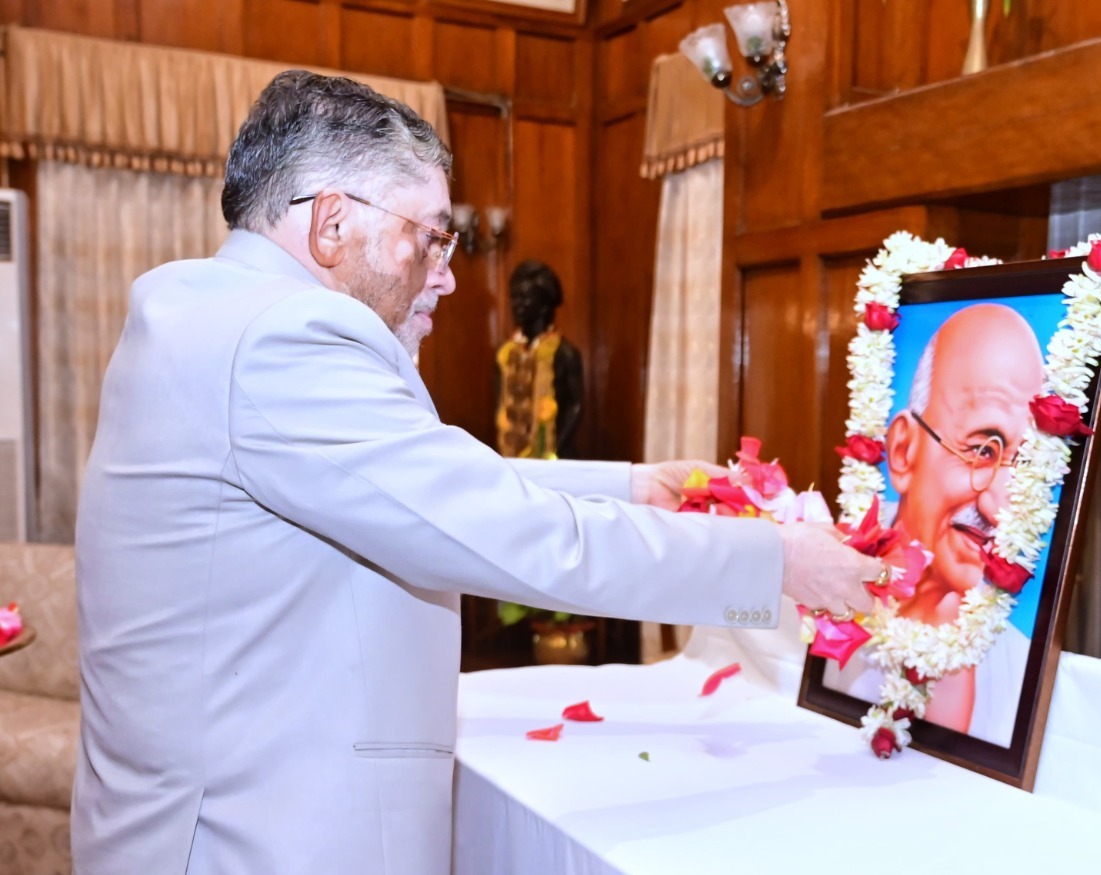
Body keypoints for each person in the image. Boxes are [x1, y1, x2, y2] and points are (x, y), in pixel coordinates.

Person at [71, 70, 880, 875]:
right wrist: (777, 561)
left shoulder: (210, 311)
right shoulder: (282, 339)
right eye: (429, 237)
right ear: (331, 223)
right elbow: (509, 530)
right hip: (252, 836)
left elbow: (425, 483)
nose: (448, 274)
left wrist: (632, 485)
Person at [825, 304, 1040, 746]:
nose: (1000, 508)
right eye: (983, 450)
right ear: (903, 451)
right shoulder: (827, 583)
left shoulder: (1020, 668)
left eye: (1024, 466)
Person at [495, 259, 583, 460]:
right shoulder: (505, 354)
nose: (516, 305)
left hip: (555, 458)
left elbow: (575, 406)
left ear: (544, 305)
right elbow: (500, 403)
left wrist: (554, 447)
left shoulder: (564, 353)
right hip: (512, 456)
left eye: (524, 298)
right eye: (514, 298)